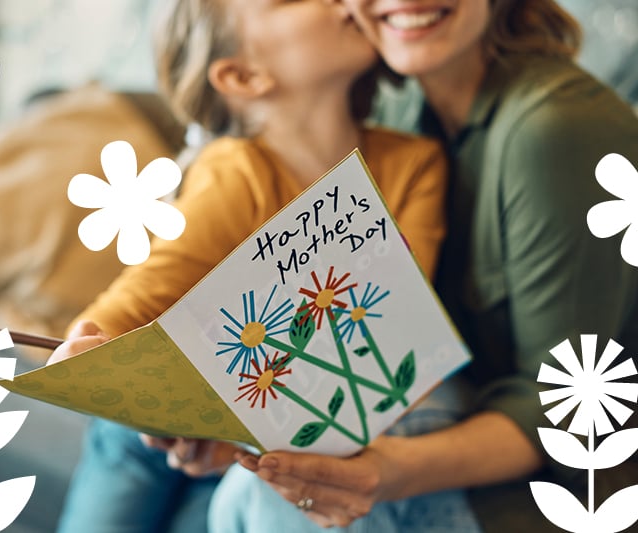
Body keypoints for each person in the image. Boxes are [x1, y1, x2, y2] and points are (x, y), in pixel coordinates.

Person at [208, 0, 638, 531]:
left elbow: (561, 411)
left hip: (592, 481)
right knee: (229, 491)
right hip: (472, 430)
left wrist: (383, 472)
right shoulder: (402, 115)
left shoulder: (558, 129)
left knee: (268, 503)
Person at [51, 0, 454, 531]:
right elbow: (118, 317)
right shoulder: (235, 173)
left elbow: (393, 334)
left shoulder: (415, 165)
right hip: (153, 432)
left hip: (261, 431)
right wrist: (92, 355)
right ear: (243, 75)